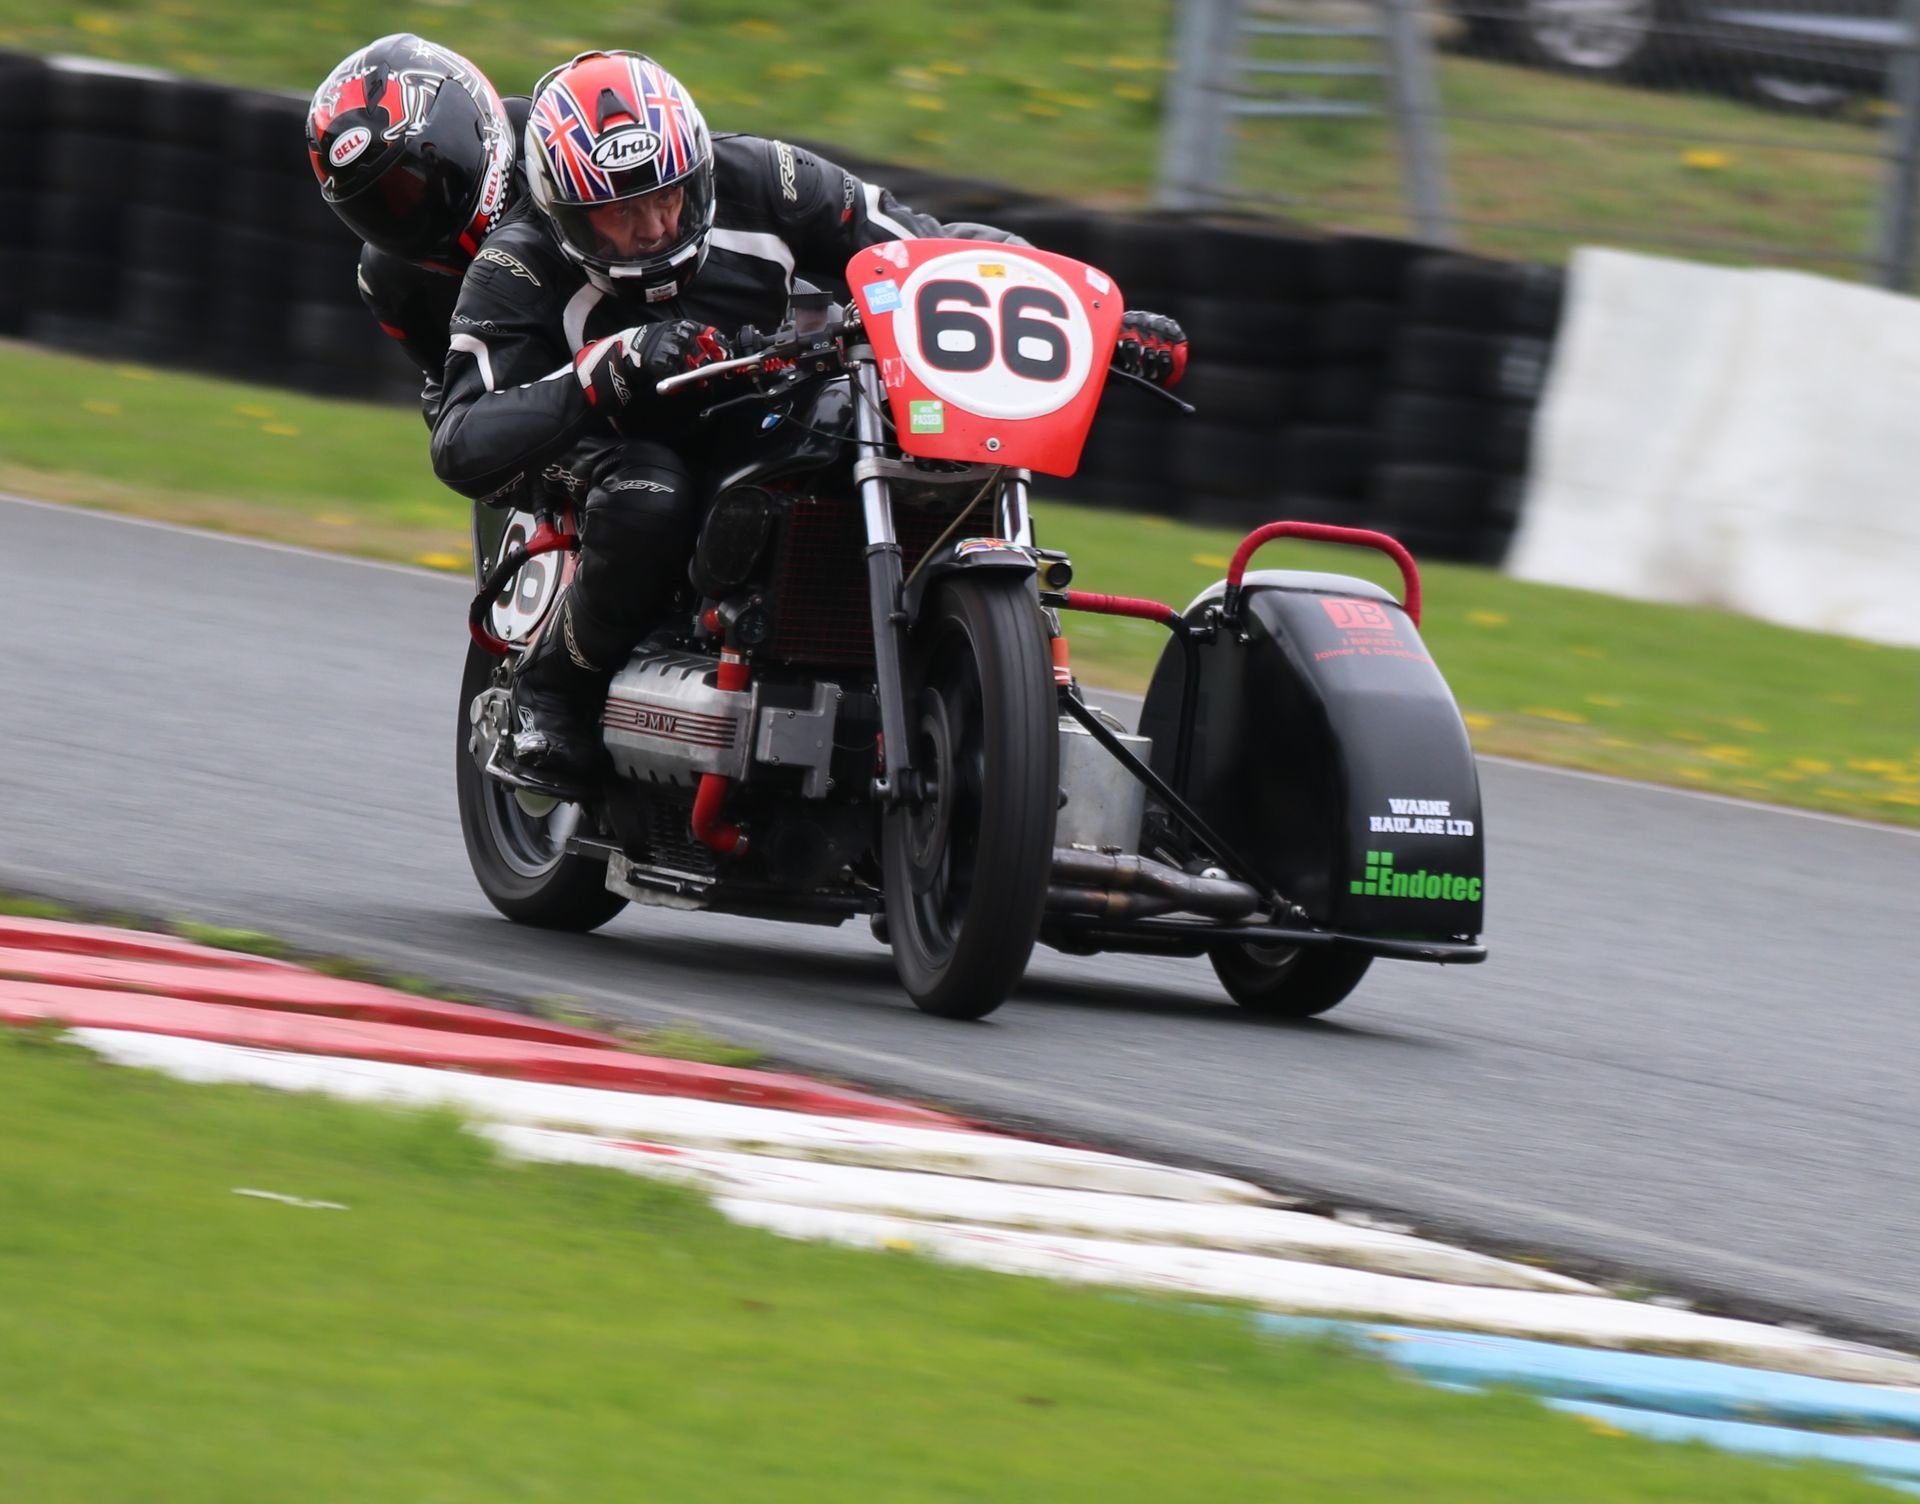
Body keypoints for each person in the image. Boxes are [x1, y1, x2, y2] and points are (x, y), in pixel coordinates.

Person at [431, 50, 1188, 784]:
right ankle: (555, 688)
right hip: (612, 436)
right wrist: (607, 370)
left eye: (668, 196)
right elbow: (463, 442)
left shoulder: (765, 178)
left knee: (898, 430)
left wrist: (1086, 308)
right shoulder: (517, 266)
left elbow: (916, 242)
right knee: (649, 492)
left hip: (752, 395)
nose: (656, 227)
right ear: (567, 214)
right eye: (622, 213)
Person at [304, 34, 522, 423]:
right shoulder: (391, 279)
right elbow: (454, 407)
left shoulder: (546, 140)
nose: (407, 213)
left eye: (416, 181)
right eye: (379, 207)